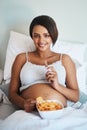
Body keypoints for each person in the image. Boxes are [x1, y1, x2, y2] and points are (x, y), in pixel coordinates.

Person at [9, 15, 79, 112]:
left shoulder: (65, 59)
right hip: (30, 113)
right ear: (32, 37)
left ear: (53, 36)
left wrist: (57, 86)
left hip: (59, 113)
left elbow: (75, 96)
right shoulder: (21, 58)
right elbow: (12, 93)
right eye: (36, 36)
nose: (41, 41)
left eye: (46, 35)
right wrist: (23, 103)